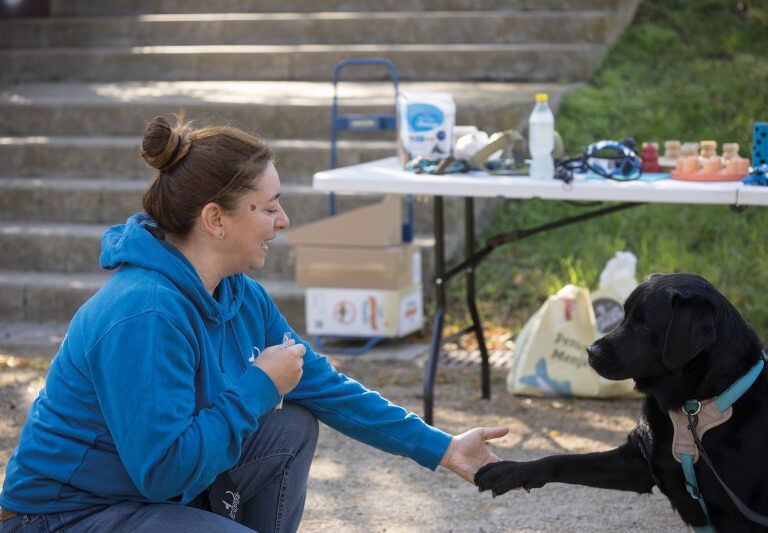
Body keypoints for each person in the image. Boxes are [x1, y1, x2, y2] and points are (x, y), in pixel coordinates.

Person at [0, 116, 508, 532]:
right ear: (215, 219)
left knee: (290, 427)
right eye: (267, 207)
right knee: (270, 415)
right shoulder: (146, 313)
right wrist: (258, 386)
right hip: (62, 516)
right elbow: (161, 473)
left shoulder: (238, 293)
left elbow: (325, 387)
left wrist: (443, 448)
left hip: (137, 495)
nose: (283, 220)